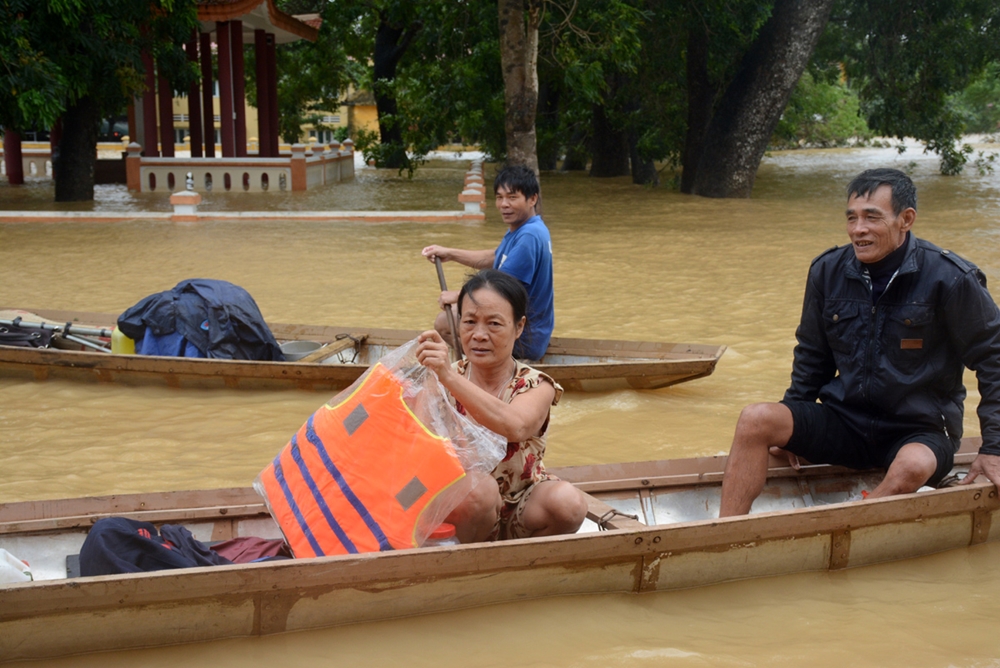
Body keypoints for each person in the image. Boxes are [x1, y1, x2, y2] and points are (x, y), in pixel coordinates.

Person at [719, 168, 1000, 517]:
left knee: (911, 466)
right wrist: (793, 425)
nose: (858, 229)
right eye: (851, 218)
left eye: (872, 217)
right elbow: (812, 354)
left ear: (906, 219)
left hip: (918, 430)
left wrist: (995, 448)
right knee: (755, 419)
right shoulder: (827, 270)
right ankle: (724, 532)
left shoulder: (951, 279)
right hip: (845, 422)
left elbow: (993, 359)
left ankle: (851, 523)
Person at [415, 269, 587, 543]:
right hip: (465, 506)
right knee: (478, 491)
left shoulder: (537, 384)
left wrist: (447, 376)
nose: (479, 335)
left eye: (494, 324)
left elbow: (514, 426)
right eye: (469, 322)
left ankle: (525, 561)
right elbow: (418, 442)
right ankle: (471, 561)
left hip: (523, 504)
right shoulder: (440, 378)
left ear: (518, 327)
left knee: (569, 503)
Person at [422, 164, 554, 361]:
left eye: (512, 197)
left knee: (443, 323)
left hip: (524, 337)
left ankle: (485, 371)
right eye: (499, 197)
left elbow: (501, 289)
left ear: (532, 199)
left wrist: (458, 296)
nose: (504, 204)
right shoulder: (524, 228)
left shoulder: (529, 235)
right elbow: (495, 258)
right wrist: (450, 253)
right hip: (526, 328)